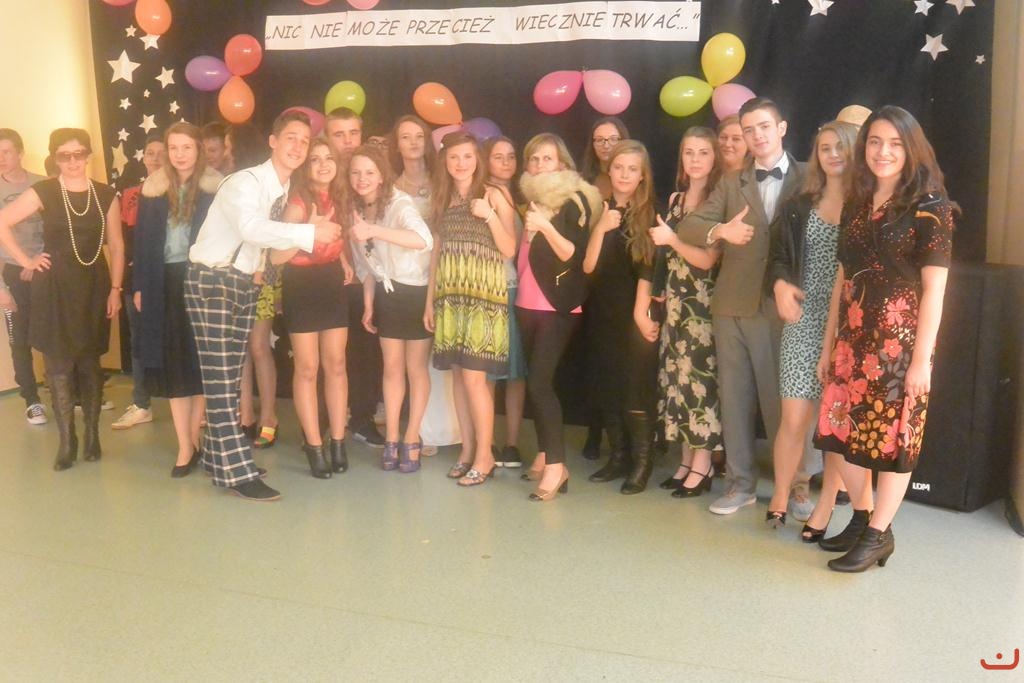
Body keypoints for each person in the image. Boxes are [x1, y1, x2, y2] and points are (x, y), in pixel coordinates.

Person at [814, 106, 953, 571]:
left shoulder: (930, 207)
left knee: (892, 442)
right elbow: (842, 279)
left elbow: (935, 290)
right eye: (875, 141)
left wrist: (922, 360)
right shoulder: (856, 201)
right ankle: (863, 517)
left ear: (911, 149)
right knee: (842, 435)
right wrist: (829, 344)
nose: (883, 151)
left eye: (895, 143)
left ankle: (878, 534)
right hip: (851, 341)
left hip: (899, 346)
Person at [185, 110, 342, 501]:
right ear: (272, 142)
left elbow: (263, 245)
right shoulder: (246, 182)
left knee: (227, 375)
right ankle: (238, 473)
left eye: (304, 141)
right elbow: (252, 229)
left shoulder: (283, 191)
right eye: (291, 138)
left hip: (240, 282)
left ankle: (219, 461)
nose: (298, 147)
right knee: (222, 380)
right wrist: (310, 232)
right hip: (214, 281)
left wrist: (261, 268)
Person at [676, 97, 806, 516]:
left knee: (784, 403)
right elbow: (689, 226)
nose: (757, 136)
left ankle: (797, 486)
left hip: (785, 308)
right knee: (734, 401)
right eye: (749, 130)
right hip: (731, 304)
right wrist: (720, 231)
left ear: (781, 128)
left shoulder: (809, 177)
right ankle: (740, 484)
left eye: (764, 126)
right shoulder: (732, 182)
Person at [0, 128, 125, 471]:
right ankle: (67, 440)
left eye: (78, 154)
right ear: (55, 158)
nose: (72, 161)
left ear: (88, 156)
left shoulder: (105, 194)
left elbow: (117, 245)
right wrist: (26, 261)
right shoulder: (44, 191)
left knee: (89, 362)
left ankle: (92, 435)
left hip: (93, 284)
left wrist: (116, 289)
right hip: (54, 286)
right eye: (64, 155)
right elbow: (2, 222)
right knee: (57, 364)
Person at [765, 120, 868, 530]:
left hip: (849, 325)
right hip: (804, 321)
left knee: (834, 425)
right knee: (794, 419)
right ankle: (779, 497)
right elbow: (777, 257)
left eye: (840, 146)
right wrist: (780, 285)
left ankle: (825, 506)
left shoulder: (867, 206)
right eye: (825, 148)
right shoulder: (798, 204)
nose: (833, 154)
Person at [426, 131, 516, 486]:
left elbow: (509, 249)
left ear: (477, 159)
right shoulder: (442, 198)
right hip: (451, 298)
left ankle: (485, 456)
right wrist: (430, 301)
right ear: (445, 162)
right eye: (453, 157)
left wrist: (489, 215)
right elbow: (436, 253)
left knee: (476, 380)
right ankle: (467, 451)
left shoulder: (494, 194)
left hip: (483, 299)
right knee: (460, 380)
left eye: (467, 156)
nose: (460, 163)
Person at [516, 133, 601, 501]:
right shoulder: (531, 200)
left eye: (547, 159)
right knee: (536, 382)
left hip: (557, 305)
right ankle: (543, 452)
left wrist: (545, 226)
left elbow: (572, 254)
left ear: (562, 163)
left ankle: (557, 467)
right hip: (526, 301)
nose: (539, 165)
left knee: (540, 383)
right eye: (534, 159)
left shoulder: (574, 200)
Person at [133, 122, 220, 477]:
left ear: (198, 149)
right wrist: (140, 286)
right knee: (173, 364)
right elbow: (142, 241)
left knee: (199, 362)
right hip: (162, 283)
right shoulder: (153, 188)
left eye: (187, 147)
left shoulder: (216, 187)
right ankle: (184, 444)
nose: (180, 154)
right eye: (174, 148)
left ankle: (195, 436)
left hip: (202, 279)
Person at [346, 144, 434, 472]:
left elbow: (423, 240)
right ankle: (393, 437)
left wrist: (373, 230)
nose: (362, 178)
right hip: (386, 294)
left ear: (382, 175)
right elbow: (367, 266)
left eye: (369, 172)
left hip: (415, 292)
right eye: (356, 172)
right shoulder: (354, 211)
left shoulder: (399, 203)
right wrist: (369, 304)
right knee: (392, 368)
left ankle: (412, 435)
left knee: (415, 368)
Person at [648, 127, 724, 498]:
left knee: (700, 382)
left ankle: (703, 464)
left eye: (703, 152)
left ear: (715, 157)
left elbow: (708, 260)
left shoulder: (717, 201)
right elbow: (665, 255)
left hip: (702, 303)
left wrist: (673, 240)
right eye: (689, 152)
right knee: (677, 381)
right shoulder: (676, 198)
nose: (695, 159)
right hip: (676, 301)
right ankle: (685, 460)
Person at [582, 140, 661, 494]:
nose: (625, 175)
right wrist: (600, 228)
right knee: (608, 385)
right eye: (619, 168)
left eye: (632, 169)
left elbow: (649, 268)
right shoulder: (600, 210)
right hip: (602, 310)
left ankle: (642, 463)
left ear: (643, 175)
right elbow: (588, 267)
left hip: (636, 310)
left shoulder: (650, 213)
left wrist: (641, 313)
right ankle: (618, 456)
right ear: (609, 170)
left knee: (635, 387)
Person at [274, 136, 352, 479]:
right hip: (302, 286)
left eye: (328, 158)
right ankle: (314, 443)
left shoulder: (340, 197)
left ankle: (338, 440)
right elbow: (276, 256)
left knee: (336, 364)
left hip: (330, 282)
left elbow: (337, 238)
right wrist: (309, 231)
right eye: (315, 159)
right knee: (307, 368)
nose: (322, 165)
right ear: (305, 167)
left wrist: (343, 259)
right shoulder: (297, 203)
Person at [391, 115, 457, 456]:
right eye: (406, 137)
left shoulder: (441, 181)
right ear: (397, 144)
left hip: (440, 272)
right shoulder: (391, 185)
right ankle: (417, 431)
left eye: (419, 136)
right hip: (405, 277)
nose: (414, 142)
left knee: (436, 358)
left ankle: (444, 431)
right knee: (409, 363)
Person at [326, 107, 386, 448]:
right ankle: (323, 423)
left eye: (353, 133)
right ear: (327, 137)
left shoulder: (370, 173)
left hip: (365, 281)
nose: (348, 141)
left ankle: (361, 420)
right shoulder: (319, 174)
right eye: (339, 134)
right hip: (326, 278)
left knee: (365, 353)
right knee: (327, 357)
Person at [578, 117, 631, 459]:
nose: (606, 145)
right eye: (599, 139)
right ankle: (594, 430)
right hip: (589, 277)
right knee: (593, 359)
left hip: (623, 279)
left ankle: (625, 440)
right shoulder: (585, 182)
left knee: (620, 362)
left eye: (612, 138)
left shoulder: (633, 178)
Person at [112, 133, 164, 431]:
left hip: (173, 277)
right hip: (138, 279)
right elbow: (122, 238)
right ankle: (141, 404)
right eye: (150, 153)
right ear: (143, 158)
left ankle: (197, 406)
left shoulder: (181, 190)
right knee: (139, 341)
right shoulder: (131, 195)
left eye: (161, 152)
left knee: (183, 339)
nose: (156, 158)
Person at [483, 135, 527, 468]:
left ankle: (511, 443)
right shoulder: (485, 194)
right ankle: (488, 443)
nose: (506, 162)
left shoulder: (522, 196)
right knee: (486, 373)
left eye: (511, 156)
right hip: (490, 289)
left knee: (515, 372)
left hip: (517, 289)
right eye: (498, 156)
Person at [0, 128, 48, 425]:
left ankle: (71, 392)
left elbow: (55, 230)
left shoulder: (42, 184)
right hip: (12, 274)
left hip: (44, 269)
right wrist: (2, 288)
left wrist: (36, 262)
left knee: (56, 336)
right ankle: (32, 400)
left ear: (20, 153)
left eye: (6, 151)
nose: (1, 158)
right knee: (19, 340)